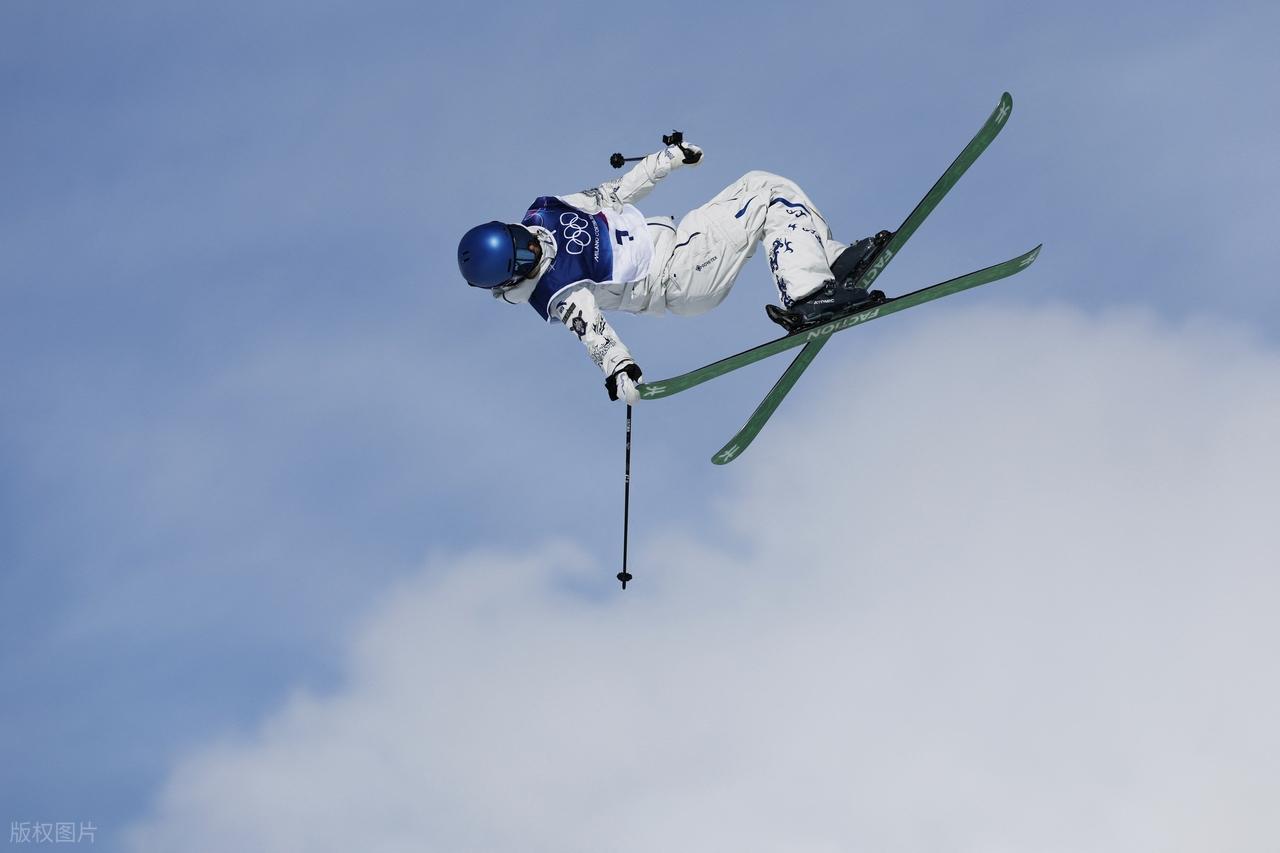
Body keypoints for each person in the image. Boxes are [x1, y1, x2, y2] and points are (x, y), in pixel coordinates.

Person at [456, 141, 890, 404]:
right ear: (514, 278)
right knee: (767, 197)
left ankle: (828, 263)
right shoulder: (555, 290)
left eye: (521, 238)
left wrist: (666, 160)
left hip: (682, 241)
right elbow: (592, 331)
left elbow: (613, 192)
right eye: (524, 259)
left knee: (762, 183)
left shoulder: (546, 211)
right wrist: (619, 368)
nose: (535, 247)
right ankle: (808, 293)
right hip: (679, 275)